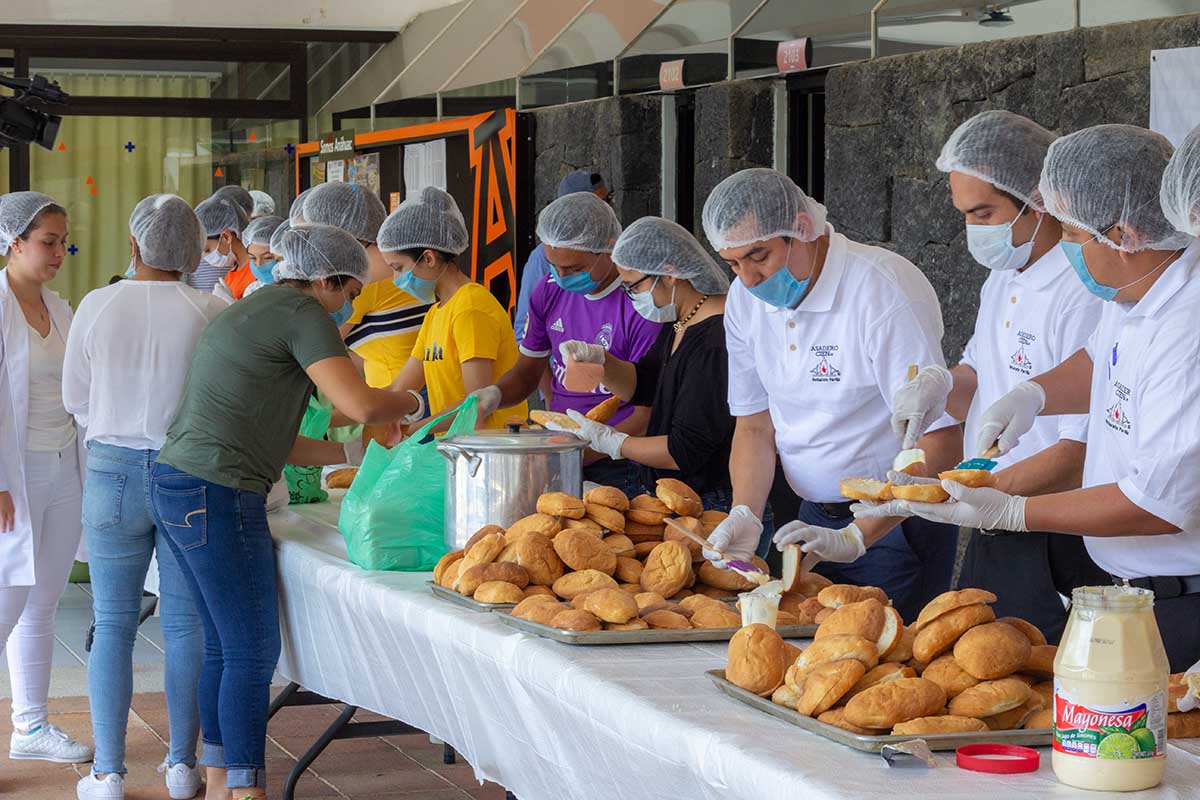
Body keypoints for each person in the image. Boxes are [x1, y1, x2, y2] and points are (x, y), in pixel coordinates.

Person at [858, 124, 1200, 670]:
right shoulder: (1132, 294)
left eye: (1069, 228)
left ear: (1125, 234)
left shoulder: (1187, 326)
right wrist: (1033, 393)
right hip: (1126, 585)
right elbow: (1098, 363)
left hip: (1180, 595)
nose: (1063, 244)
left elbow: (1156, 503)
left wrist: (1014, 509)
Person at [150, 224, 422, 798]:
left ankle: (225, 779)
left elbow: (277, 434)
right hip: (217, 491)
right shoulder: (305, 315)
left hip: (178, 480)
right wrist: (414, 400)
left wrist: (353, 450)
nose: (349, 308)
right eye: (348, 293)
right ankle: (247, 788)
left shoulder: (254, 309)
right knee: (251, 648)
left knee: (225, 644)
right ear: (325, 280)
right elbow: (358, 401)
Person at [699, 168, 963, 623]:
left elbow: (938, 438)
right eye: (733, 264)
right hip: (811, 515)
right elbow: (754, 424)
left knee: (886, 671)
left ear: (802, 229)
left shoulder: (880, 287)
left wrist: (861, 534)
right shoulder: (745, 301)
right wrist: (746, 510)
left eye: (758, 256)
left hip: (896, 522)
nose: (749, 279)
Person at [885, 110, 1107, 642]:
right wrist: (938, 388)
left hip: (1052, 525)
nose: (974, 230)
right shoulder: (1003, 277)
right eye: (965, 214)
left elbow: (1080, 449)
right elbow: (983, 375)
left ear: (1036, 199)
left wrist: (982, 498)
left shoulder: (1087, 286)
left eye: (984, 213)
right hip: (994, 513)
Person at [65, 194, 223, 800]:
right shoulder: (209, 309)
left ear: (134, 246)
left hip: (111, 472)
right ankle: (183, 767)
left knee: (112, 624)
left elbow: (76, 398)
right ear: (192, 250)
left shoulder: (97, 306)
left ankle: (107, 774)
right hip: (189, 472)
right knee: (186, 625)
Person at [547, 216, 777, 547]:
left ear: (669, 273)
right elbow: (644, 386)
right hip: (675, 498)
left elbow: (684, 450)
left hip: (715, 505)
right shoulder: (680, 321)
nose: (631, 296)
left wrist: (613, 443)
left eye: (634, 286)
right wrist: (601, 360)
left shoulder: (717, 339)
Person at [475, 192, 660, 497]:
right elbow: (528, 370)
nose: (561, 278)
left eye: (574, 269)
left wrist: (575, 453)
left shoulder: (641, 305)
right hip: (559, 447)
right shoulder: (547, 291)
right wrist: (495, 394)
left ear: (609, 248)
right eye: (553, 266)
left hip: (621, 460)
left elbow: (645, 413)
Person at [0, 192, 92, 765]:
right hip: (13, 474)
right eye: (48, 242)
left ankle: (30, 727)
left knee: (43, 603)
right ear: (14, 243)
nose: (60, 251)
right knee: (5, 603)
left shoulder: (60, 308)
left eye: (63, 240)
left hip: (63, 468)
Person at [378, 187, 526, 429]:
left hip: (489, 453)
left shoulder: (471, 308)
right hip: (456, 452)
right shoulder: (436, 314)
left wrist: (410, 431)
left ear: (428, 258)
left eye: (399, 268)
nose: (395, 279)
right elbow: (399, 388)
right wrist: (353, 411)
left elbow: (475, 407)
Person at [304, 182, 430, 388]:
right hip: (412, 384)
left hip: (401, 391)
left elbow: (319, 344)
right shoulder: (388, 256)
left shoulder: (362, 274)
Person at [513, 170, 610, 345]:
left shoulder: (621, 254)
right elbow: (525, 335)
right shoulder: (543, 260)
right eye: (595, 204)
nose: (604, 211)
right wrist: (556, 370)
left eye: (606, 202)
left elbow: (674, 325)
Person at [212, 215, 284, 304]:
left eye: (267, 258)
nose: (258, 264)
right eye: (253, 258)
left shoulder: (298, 291)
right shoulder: (252, 289)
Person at [189, 195, 249, 294]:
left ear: (226, 237)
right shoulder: (232, 275)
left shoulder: (257, 272)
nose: (206, 258)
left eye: (207, 250)